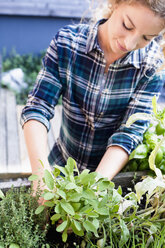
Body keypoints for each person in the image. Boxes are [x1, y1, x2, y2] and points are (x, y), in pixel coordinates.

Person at [21, 0, 165, 193]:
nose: (129, 43)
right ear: (115, 4)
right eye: (127, 25)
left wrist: (92, 192)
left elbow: (128, 135)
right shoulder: (67, 43)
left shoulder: (152, 67)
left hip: (109, 182)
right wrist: (41, 175)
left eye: (147, 37)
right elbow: (38, 106)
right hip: (60, 168)